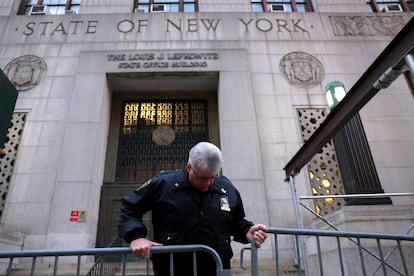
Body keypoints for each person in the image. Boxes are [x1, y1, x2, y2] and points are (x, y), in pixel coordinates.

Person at [118, 141, 267, 276]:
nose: (209, 183)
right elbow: (130, 207)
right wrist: (136, 237)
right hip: (172, 269)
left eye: (213, 177)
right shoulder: (164, 184)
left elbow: (236, 221)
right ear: (189, 167)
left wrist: (247, 231)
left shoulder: (226, 187)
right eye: (202, 178)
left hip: (217, 268)